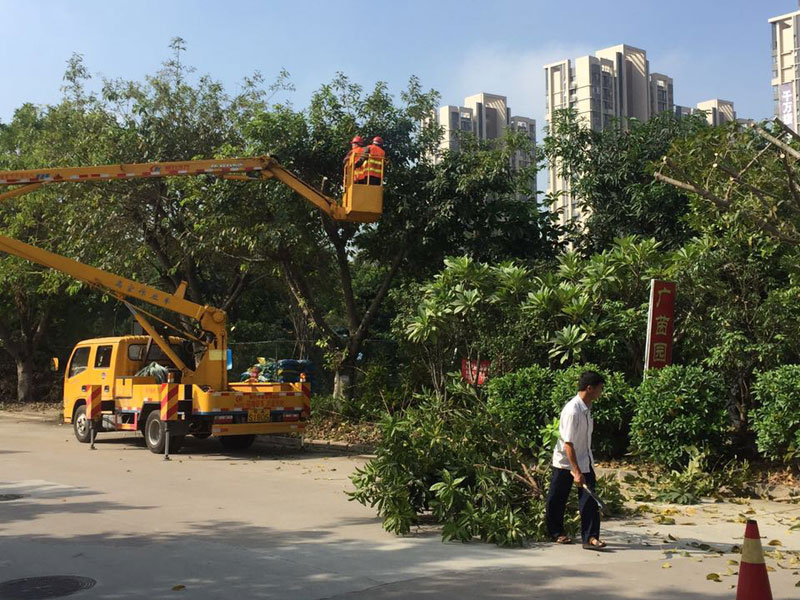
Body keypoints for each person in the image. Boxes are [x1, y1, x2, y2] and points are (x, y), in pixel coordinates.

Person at [545, 370, 607, 550]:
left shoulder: (587, 409)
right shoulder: (573, 411)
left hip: (585, 460)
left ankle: (591, 538)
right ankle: (556, 532)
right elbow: (568, 445)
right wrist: (576, 472)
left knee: (590, 500)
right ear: (590, 388)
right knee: (557, 499)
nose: (601, 392)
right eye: (600, 388)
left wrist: (584, 467)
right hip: (566, 462)